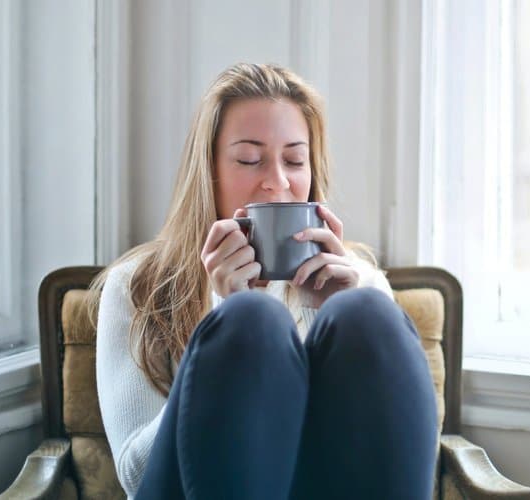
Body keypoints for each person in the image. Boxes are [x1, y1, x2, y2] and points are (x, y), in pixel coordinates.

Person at [91, 62, 438, 500]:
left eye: (295, 160)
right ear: (210, 171)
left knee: (366, 312)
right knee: (250, 319)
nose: (277, 183)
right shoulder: (134, 286)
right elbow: (136, 477)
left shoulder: (357, 280)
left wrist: (329, 309)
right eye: (249, 159)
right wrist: (222, 312)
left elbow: (396, 454)